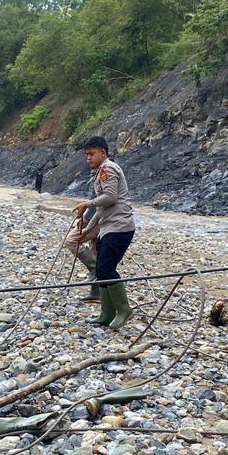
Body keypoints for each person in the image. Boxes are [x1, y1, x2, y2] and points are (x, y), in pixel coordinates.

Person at [72, 136, 136, 329]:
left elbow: (110, 197)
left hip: (120, 227)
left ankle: (124, 309)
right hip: (109, 227)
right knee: (101, 268)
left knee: (107, 268)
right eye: (86, 155)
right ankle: (106, 313)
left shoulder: (108, 168)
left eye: (91, 154)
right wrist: (89, 230)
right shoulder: (101, 171)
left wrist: (87, 203)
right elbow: (101, 209)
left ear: (103, 152)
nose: (88, 158)